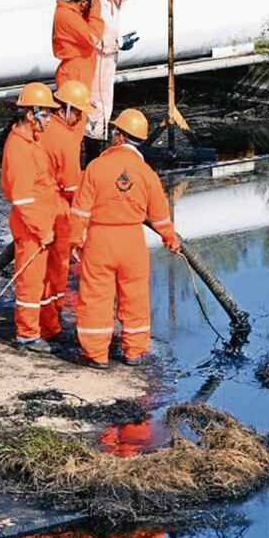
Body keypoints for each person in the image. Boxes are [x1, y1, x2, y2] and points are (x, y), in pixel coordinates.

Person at [68, 108, 180, 369]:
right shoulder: (147, 174)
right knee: (135, 297)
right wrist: (170, 239)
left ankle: (96, 355)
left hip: (100, 240)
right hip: (132, 242)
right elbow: (161, 216)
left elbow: (80, 210)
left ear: (119, 136)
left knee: (96, 297)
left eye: (115, 131)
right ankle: (134, 353)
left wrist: (74, 241)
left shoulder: (96, 167)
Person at [83, 0, 178, 162]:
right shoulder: (94, 2)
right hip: (96, 62)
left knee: (103, 108)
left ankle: (96, 156)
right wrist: (118, 42)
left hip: (108, 61)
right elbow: (95, 37)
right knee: (96, 110)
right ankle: (92, 160)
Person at [1, 82, 59, 352]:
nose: (49, 119)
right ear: (30, 114)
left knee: (41, 280)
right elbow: (23, 199)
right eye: (46, 113)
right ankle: (27, 334)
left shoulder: (30, 141)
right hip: (32, 227)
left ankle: (42, 327)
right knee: (30, 282)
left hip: (40, 222)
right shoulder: (19, 148)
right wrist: (41, 230)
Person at [38, 80, 93, 340]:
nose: (81, 118)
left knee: (37, 268)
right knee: (57, 266)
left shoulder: (41, 127)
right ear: (67, 109)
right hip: (55, 207)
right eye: (80, 112)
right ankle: (49, 325)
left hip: (33, 204)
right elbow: (71, 185)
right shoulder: (65, 139)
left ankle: (38, 321)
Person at [52, 0, 105, 90]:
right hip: (74, 74)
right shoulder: (68, 15)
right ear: (84, 2)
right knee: (75, 108)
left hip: (78, 72)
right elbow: (94, 37)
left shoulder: (73, 14)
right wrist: (95, 11)